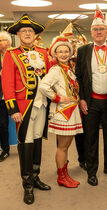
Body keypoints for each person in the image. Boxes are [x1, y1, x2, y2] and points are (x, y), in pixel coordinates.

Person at [1, 15, 51, 205]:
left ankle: (36, 176)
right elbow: (7, 83)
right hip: (23, 105)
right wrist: (12, 108)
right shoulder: (11, 55)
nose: (27, 33)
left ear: (34, 34)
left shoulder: (43, 52)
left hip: (42, 104)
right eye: (24, 31)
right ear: (18, 34)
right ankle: (27, 184)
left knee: (38, 139)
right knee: (26, 142)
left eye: (30, 31)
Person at [75, 7, 107, 186]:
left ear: (106, 31)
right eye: (95, 29)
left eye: (101, 29)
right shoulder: (83, 51)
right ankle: (91, 170)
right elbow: (78, 76)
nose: (98, 32)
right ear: (91, 32)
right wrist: (81, 98)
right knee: (90, 137)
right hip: (91, 101)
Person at [39, 36, 83, 188]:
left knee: (66, 146)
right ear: (55, 54)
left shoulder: (69, 68)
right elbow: (43, 86)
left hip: (72, 111)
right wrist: (57, 98)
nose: (64, 54)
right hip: (64, 113)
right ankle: (61, 177)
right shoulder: (56, 69)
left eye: (66, 51)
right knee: (62, 147)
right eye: (60, 52)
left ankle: (65, 174)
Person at [0, 31, 11, 161]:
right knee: (2, 124)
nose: (2, 43)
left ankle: (6, 149)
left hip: (11, 95)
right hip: (0, 96)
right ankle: (5, 149)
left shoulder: (13, 55)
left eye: (3, 40)